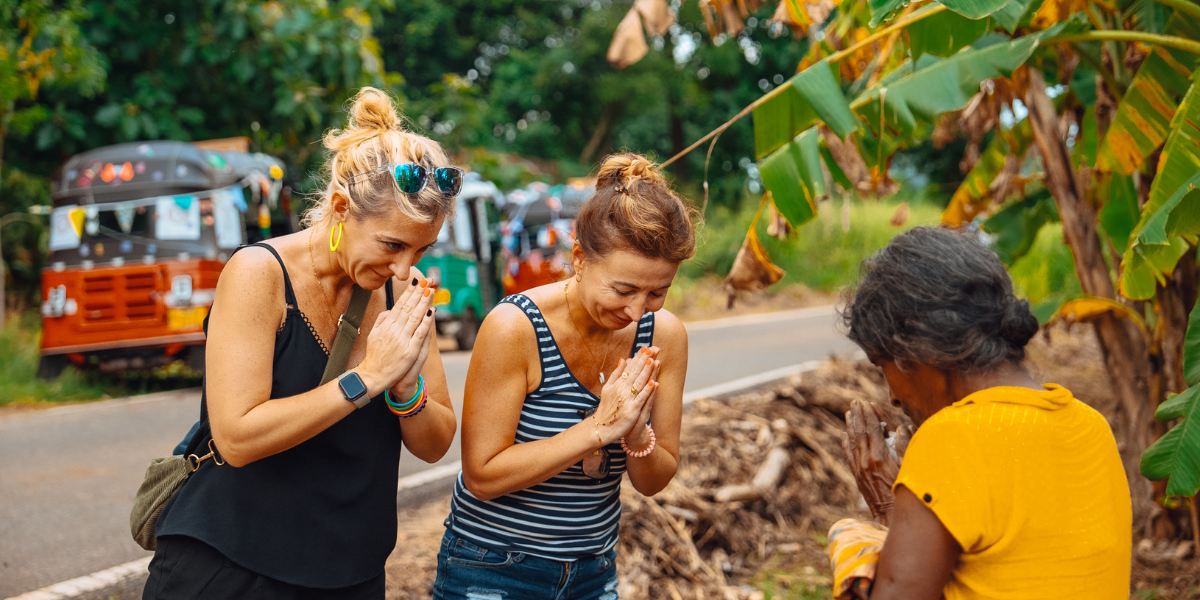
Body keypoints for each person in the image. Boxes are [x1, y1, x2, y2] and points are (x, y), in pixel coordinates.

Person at [144, 87, 460, 600]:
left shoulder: (402, 286)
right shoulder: (258, 274)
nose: (406, 267)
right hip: (231, 564)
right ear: (340, 207)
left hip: (349, 570)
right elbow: (237, 438)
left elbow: (436, 442)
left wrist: (405, 386)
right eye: (392, 245)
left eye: (422, 249)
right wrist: (369, 378)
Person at [432, 153, 697, 599]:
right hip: (492, 566)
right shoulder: (515, 327)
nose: (637, 311)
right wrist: (597, 428)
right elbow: (482, 475)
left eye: (658, 292)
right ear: (579, 258)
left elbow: (653, 480)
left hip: (592, 570)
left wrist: (634, 432)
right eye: (624, 289)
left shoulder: (664, 335)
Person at [833, 226, 1132, 600]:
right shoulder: (1091, 426)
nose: (892, 397)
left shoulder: (949, 439)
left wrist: (887, 506)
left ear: (915, 346)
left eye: (882, 366)